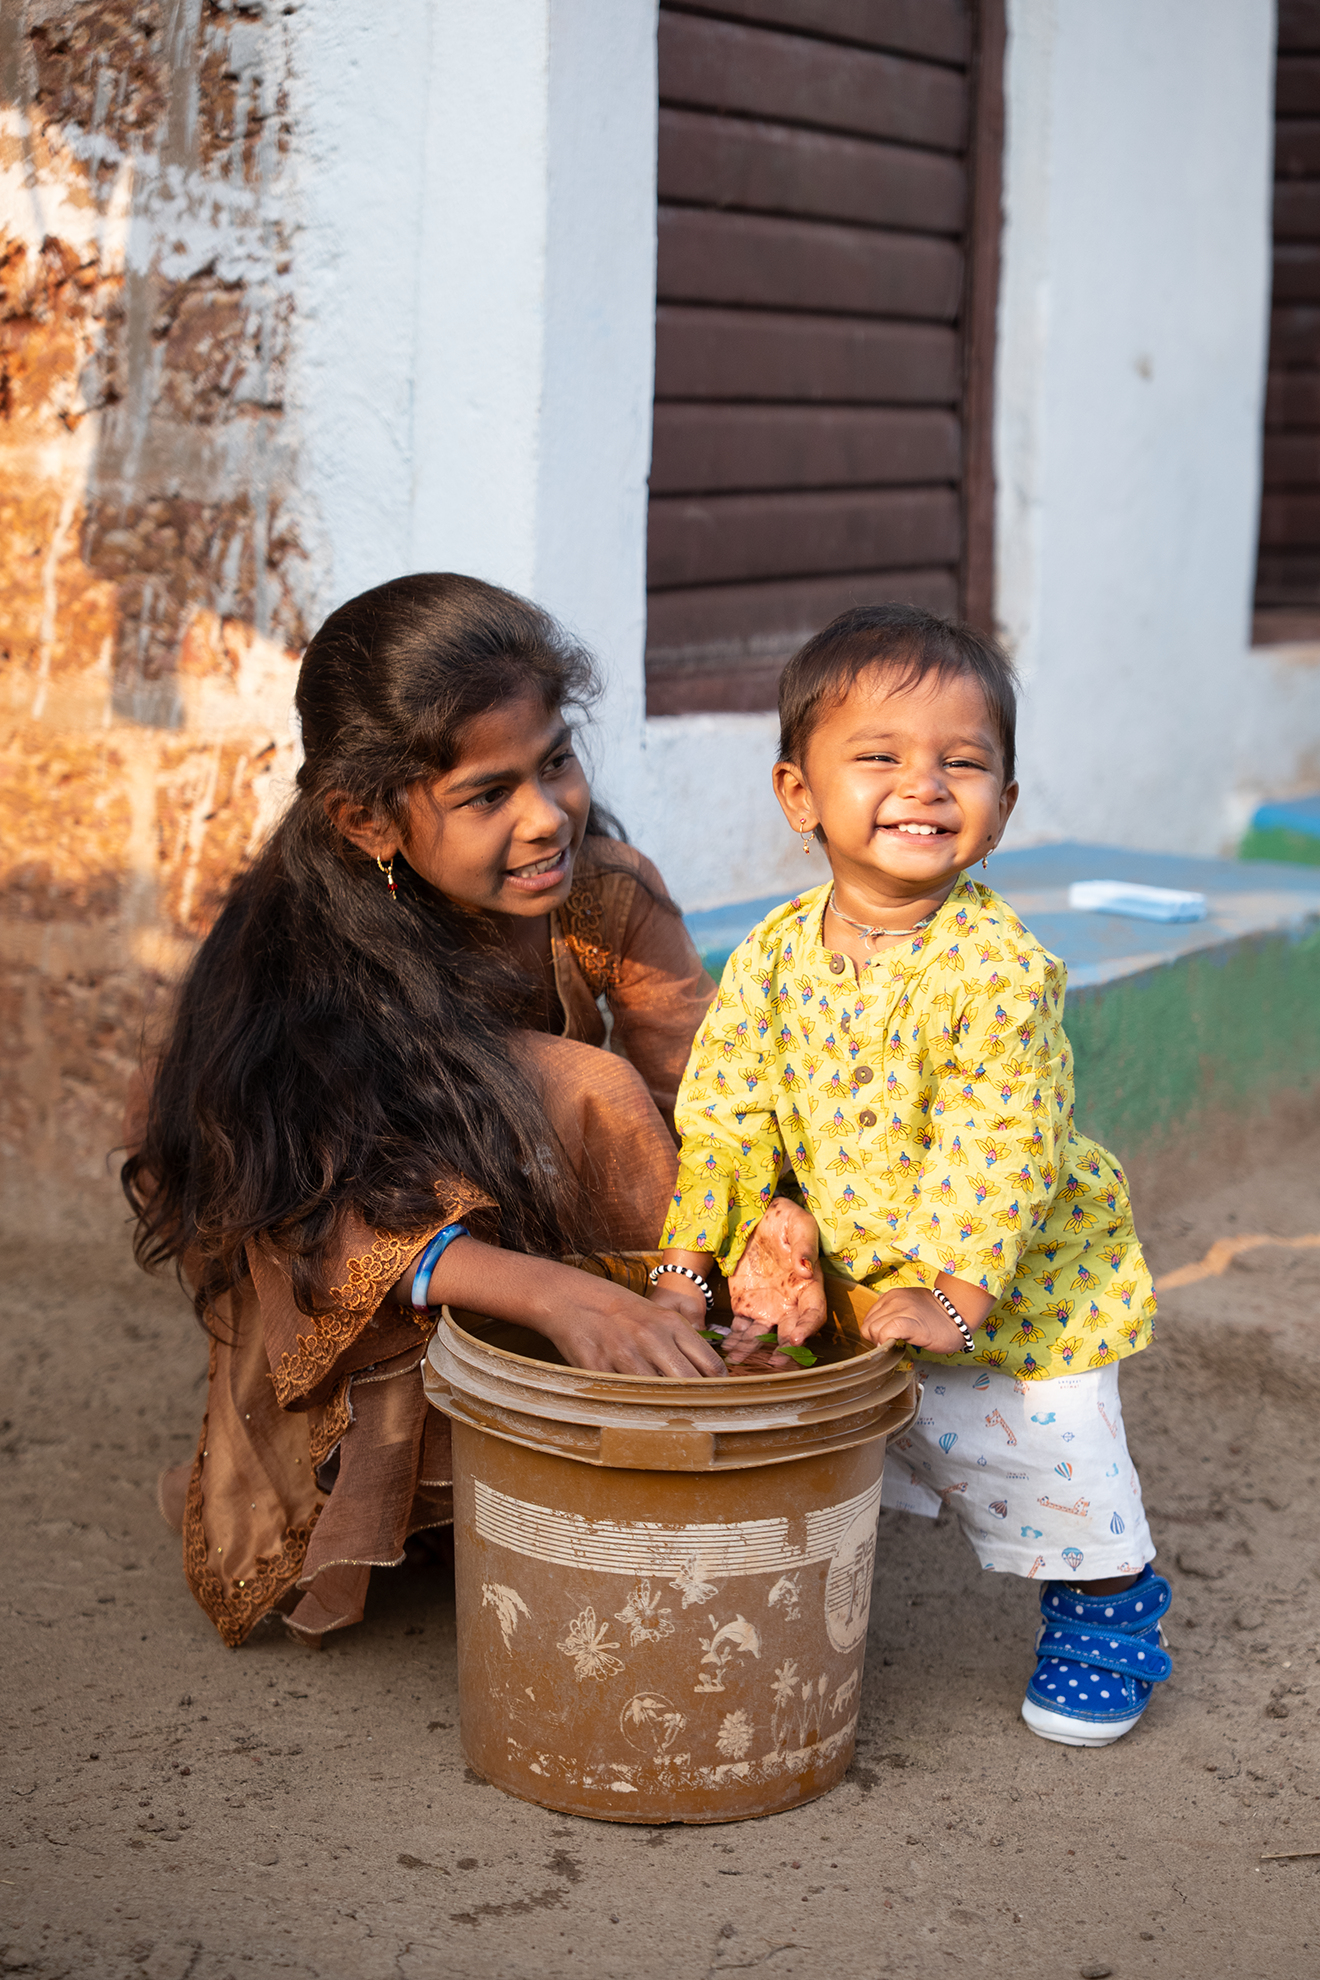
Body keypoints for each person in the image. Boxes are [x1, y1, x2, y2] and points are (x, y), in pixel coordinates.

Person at [124, 573, 724, 1648]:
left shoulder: (610, 893)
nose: (547, 818)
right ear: (367, 820)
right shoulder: (298, 961)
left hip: (519, 1208)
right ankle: (445, 1473)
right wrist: (557, 1296)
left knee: (606, 1106)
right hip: (341, 1248)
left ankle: (668, 1406)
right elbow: (313, 1215)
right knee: (575, 1088)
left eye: (557, 764)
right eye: (488, 795)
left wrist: (752, 1230)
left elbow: (715, 1099)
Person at [648, 604, 1171, 1749]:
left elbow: (1003, 1142)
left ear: (1005, 807)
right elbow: (729, 1117)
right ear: (801, 797)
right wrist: (689, 1258)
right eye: (880, 757)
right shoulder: (774, 955)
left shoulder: (999, 968)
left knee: (1047, 1446)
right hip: (864, 1263)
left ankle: (1108, 1612)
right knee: (888, 1431)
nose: (925, 786)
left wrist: (956, 1291)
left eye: (964, 763)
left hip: (1020, 1278)